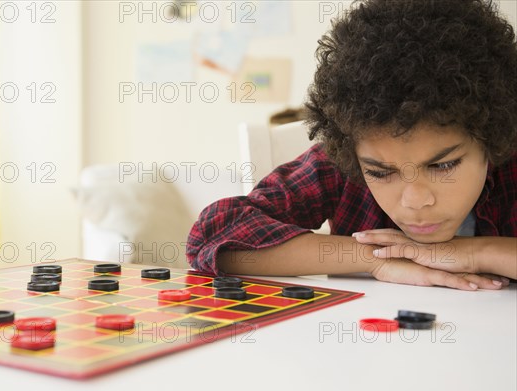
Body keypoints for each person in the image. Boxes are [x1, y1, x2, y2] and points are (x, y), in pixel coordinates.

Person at [186, 0, 517, 290]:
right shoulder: (342, 168)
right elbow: (214, 235)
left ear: (492, 136)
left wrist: (475, 253)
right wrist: (376, 258)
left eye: (443, 165)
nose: (415, 201)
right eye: (381, 172)